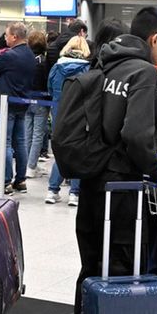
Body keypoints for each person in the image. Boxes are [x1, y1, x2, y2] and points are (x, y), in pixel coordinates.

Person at [69, 7, 157, 314]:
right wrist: (155, 170)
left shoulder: (103, 65)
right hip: (123, 185)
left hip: (92, 179)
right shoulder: (142, 71)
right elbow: (136, 134)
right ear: (155, 39)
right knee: (122, 263)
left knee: (91, 262)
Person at [0, 21, 37, 194]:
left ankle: (5, 181)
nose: (5, 38)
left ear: (14, 36)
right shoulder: (30, 55)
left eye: (6, 35)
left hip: (5, 105)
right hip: (22, 103)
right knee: (20, 143)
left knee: (4, 143)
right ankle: (20, 180)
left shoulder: (9, 56)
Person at [46, 34, 92, 206]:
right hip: (79, 116)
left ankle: (52, 190)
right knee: (79, 152)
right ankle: (74, 193)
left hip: (58, 114)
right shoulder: (87, 69)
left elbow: (50, 89)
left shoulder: (56, 68)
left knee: (59, 153)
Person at [25, 29, 51, 175]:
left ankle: (28, 164)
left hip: (25, 99)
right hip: (41, 101)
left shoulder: (26, 59)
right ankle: (31, 166)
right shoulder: (44, 62)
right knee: (37, 135)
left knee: (27, 133)